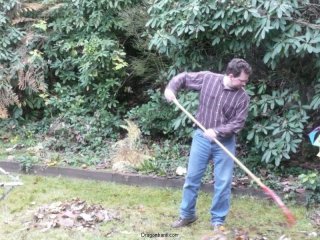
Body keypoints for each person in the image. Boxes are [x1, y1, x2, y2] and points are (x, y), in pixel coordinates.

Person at [164, 58, 252, 232]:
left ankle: (217, 221)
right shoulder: (208, 78)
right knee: (192, 178)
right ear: (230, 75)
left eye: (246, 81)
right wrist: (170, 89)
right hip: (201, 138)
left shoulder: (243, 97)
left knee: (223, 182)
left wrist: (218, 131)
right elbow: (183, 78)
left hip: (224, 142)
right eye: (241, 80)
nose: (244, 84)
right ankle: (187, 215)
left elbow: (238, 123)